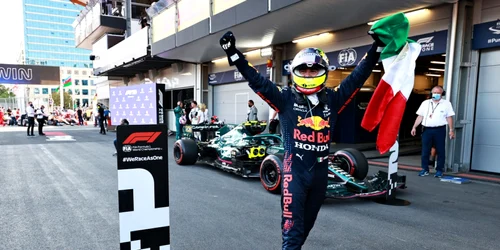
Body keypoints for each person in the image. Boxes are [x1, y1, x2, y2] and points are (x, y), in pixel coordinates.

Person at [219, 30, 383, 249]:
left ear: (323, 71)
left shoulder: (332, 100)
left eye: (313, 69)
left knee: (305, 227)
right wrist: (233, 53)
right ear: (295, 72)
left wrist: (376, 49)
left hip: (320, 176)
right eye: (303, 69)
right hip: (293, 174)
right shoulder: (285, 98)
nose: (308, 73)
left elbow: (356, 78)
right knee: (292, 232)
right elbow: (257, 81)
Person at [411, 85, 455, 178]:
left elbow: (449, 117)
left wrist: (451, 130)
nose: (436, 94)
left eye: (438, 93)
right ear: (431, 93)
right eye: (434, 92)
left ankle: (439, 170)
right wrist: (414, 127)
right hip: (427, 129)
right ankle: (424, 169)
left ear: (442, 94)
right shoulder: (425, 103)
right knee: (425, 150)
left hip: (439, 129)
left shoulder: (446, 104)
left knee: (440, 150)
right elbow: (420, 116)